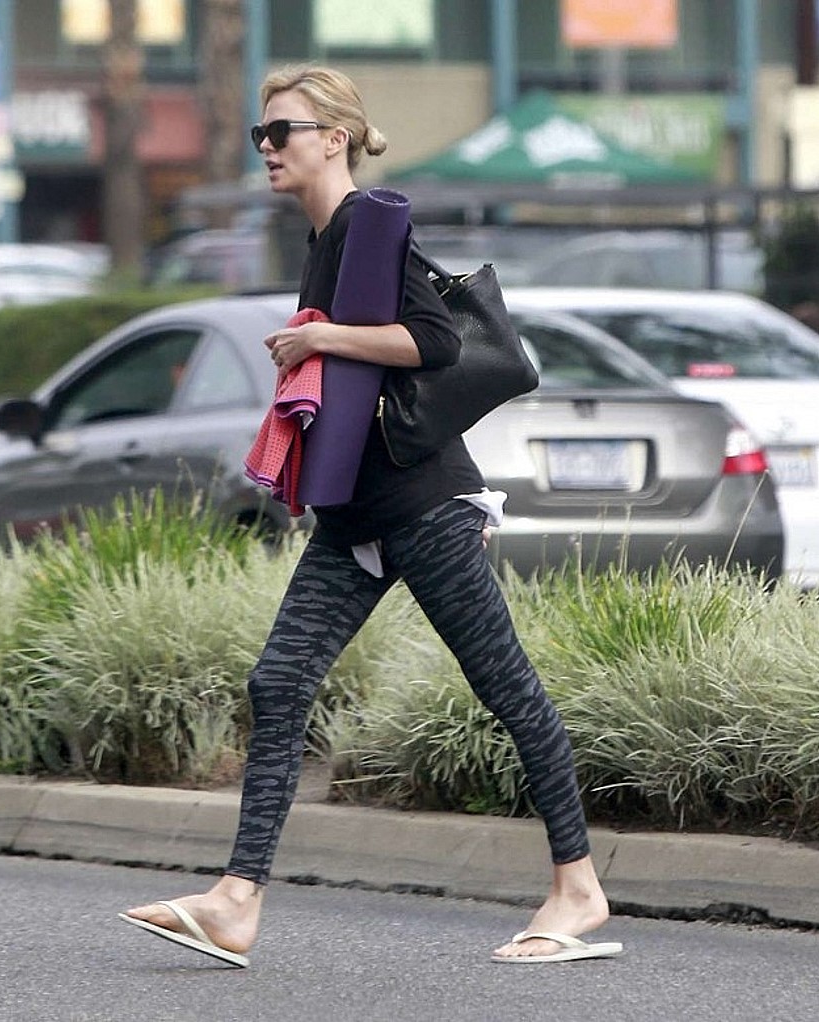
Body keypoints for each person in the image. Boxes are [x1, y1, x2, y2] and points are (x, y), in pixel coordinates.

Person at [121, 65, 621, 967]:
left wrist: (320, 336)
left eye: (281, 131)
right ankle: (235, 901)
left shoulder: (366, 226)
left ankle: (579, 889)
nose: (267, 146)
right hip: (356, 518)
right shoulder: (325, 237)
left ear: (334, 138)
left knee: (506, 688)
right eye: (260, 134)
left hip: (425, 507)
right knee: (279, 682)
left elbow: (433, 339)